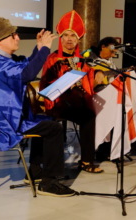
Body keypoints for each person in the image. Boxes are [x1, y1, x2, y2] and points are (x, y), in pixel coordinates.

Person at [0, 16, 77, 197]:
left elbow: (23, 66)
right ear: (0, 40)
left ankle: (36, 172)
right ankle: (49, 182)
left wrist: (38, 49)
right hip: (4, 122)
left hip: (5, 116)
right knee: (54, 128)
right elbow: (26, 74)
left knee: (46, 119)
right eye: (13, 35)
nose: (18, 38)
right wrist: (45, 49)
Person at [40, 10, 103, 173]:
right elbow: (47, 83)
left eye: (73, 36)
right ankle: (54, 166)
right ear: (60, 38)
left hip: (74, 103)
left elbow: (90, 73)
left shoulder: (82, 60)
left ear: (78, 40)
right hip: (57, 103)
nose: (69, 39)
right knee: (58, 122)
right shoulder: (53, 59)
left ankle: (87, 161)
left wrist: (98, 73)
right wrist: (66, 83)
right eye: (66, 35)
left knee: (89, 116)